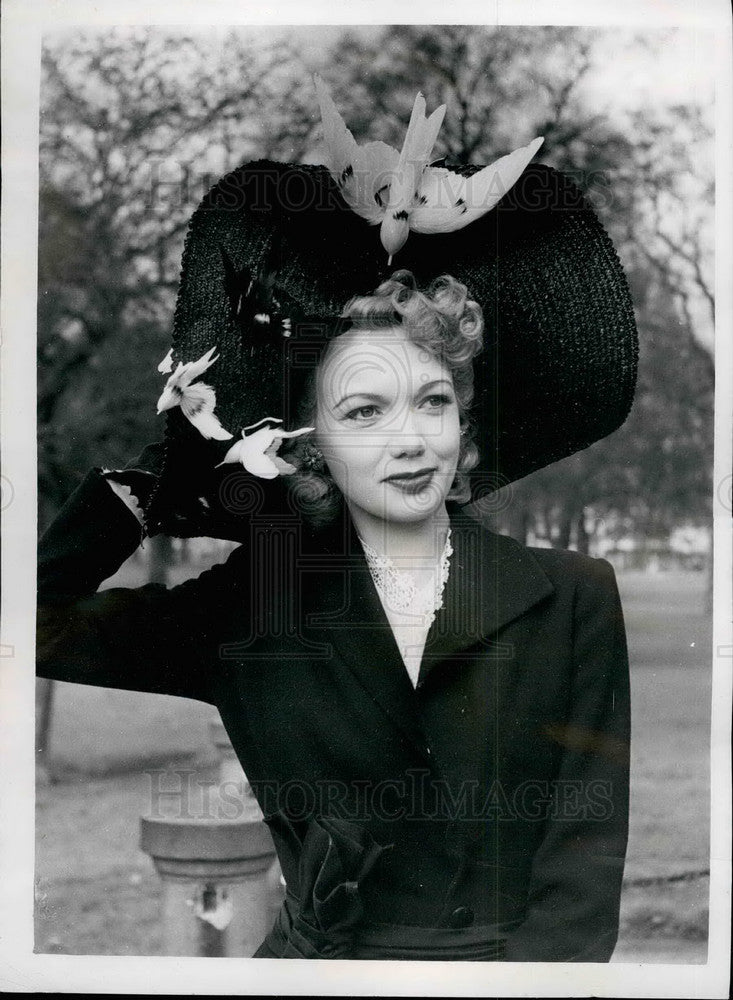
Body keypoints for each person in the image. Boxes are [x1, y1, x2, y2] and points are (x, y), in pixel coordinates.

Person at [37, 131, 636, 960]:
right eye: (363, 412)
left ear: (465, 432)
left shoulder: (571, 597)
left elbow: (580, 878)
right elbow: (31, 625)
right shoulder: (254, 606)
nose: (409, 441)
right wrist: (163, 467)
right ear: (310, 442)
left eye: (431, 402)